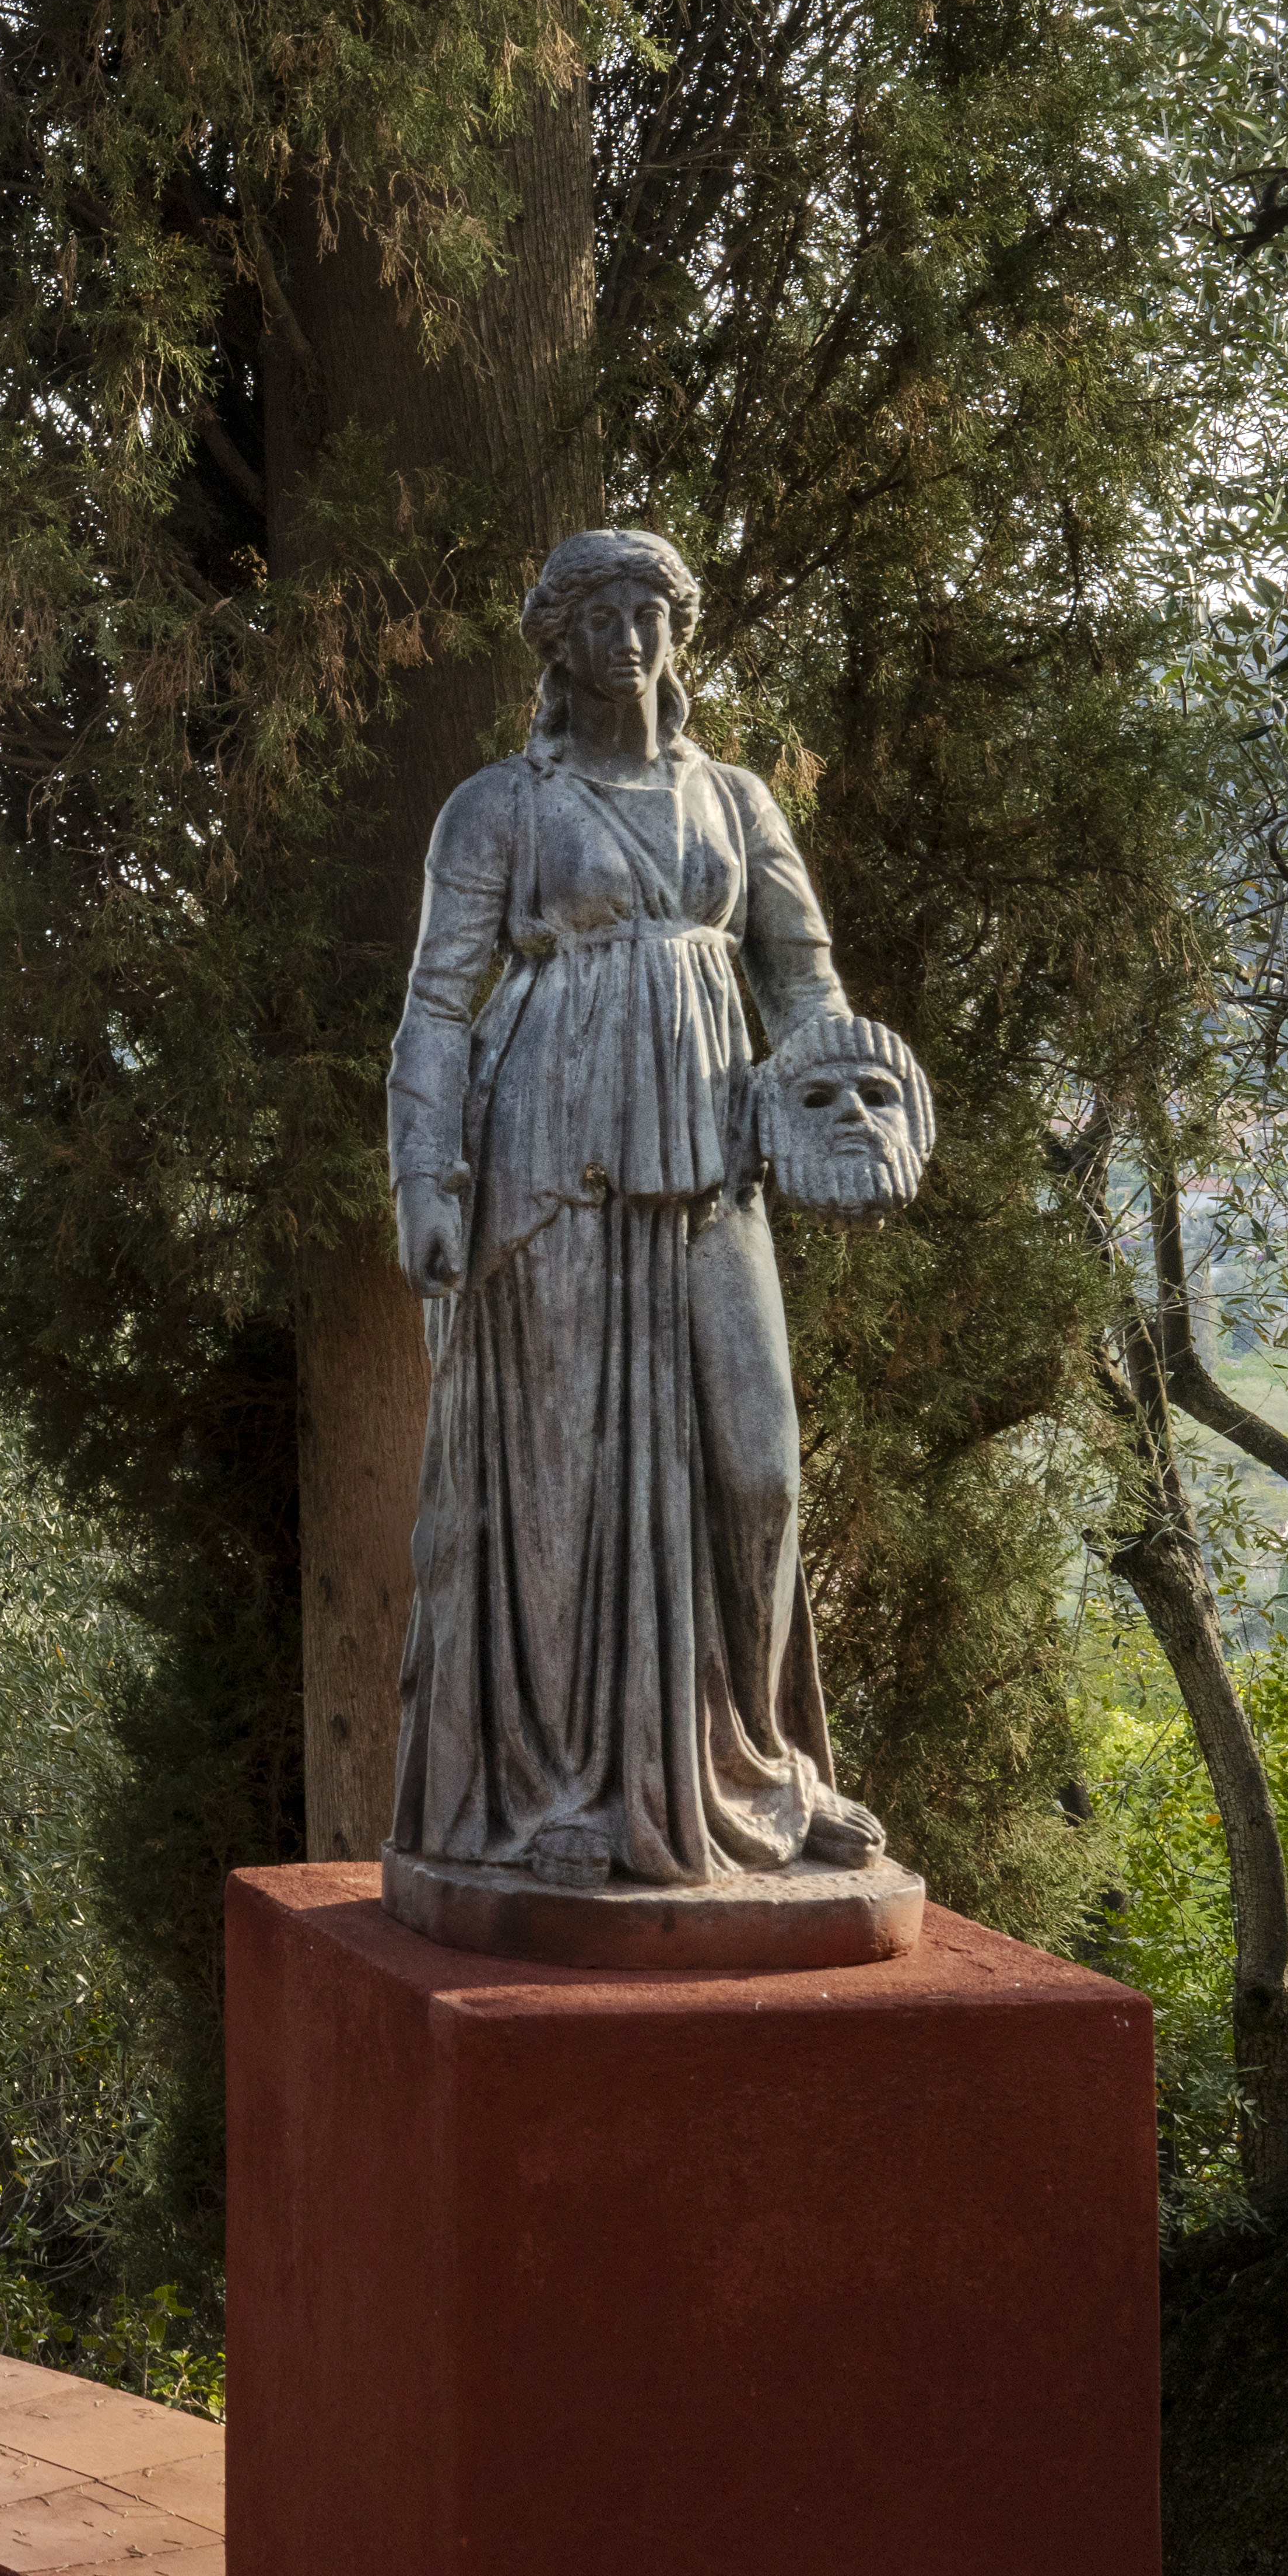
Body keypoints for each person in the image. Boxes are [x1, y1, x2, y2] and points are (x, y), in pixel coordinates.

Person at [385, 528, 910, 1890]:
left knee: (761, 1466)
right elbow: (437, 1007)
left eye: (651, 612)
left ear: (680, 631)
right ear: (556, 641)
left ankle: (763, 1766)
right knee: (562, 1486)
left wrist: (850, 1110)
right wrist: (424, 1181)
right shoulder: (498, 806)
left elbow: (805, 989)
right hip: (551, 1172)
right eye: (600, 615)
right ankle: (568, 1787)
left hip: (716, 1162)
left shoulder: (737, 805)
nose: (630, 636)